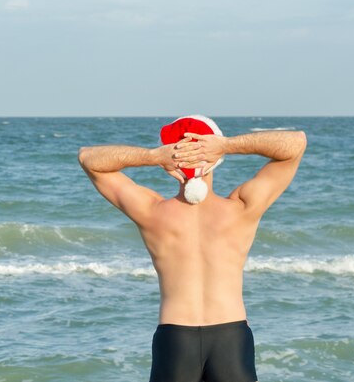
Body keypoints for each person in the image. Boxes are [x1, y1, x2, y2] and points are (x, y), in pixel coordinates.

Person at [78, 115, 306, 382]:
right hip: (230, 338)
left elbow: (88, 158)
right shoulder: (242, 208)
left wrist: (153, 157)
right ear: (215, 158)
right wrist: (227, 145)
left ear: (171, 160)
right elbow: (296, 143)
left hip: (175, 340)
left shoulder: (152, 212)